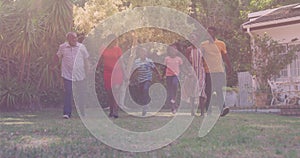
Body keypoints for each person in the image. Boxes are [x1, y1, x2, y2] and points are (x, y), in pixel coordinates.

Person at [55, 32, 90, 119]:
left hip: (80, 75)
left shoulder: (81, 47)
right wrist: (55, 66)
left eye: (76, 38)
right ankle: (67, 113)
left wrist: (87, 72)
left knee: (81, 94)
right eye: (73, 38)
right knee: (68, 93)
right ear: (68, 39)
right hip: (67, 75)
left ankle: (82, 113)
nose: (75, 39)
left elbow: (86, 60)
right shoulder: (62, 47)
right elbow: (57, 57)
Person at [201, 26, 232, 117]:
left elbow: (225, 56)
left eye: (211, 32)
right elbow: (201, 57)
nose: (209, 34)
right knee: (209, 91)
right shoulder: (203, 45)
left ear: (215, 33)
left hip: (219, 71)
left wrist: (230, 68)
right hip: (208, 71)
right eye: (208, 32)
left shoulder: (221, 44)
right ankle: (208, 110)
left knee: (219, 90)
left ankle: (222, 109)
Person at [131, 46, 162, 116]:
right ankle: (145, 104)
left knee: (145, 89)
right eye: (141, 52)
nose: (143, 53)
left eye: (144, 52)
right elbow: (134, 71)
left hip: (147, 79)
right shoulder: (136, 61)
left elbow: (154, 69)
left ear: (146, 54)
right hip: (140, 80)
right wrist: (131, 78)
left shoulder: (149, 61)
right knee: (141, 93)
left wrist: (159, 75)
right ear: (139, 54)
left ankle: (145, 107)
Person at [102, 34, 124, 118]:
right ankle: (111, 110)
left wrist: (124, 73)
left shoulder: (118, 49)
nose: (115, 42)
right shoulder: (103, 49)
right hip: (107, 73)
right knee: (110, 93)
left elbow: (121, 61)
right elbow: (100, 61)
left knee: (116, 91)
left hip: (117, 72)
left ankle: (115, 111)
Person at [185, 34, 207, 116]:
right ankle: (192, 111)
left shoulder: (201, 49)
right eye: (191, 39)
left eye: (194, 39)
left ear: (197, 40)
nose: (193, 40)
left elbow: (204, 60)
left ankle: (202, 112)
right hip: (192, 72)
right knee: (192, 91)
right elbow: (186, 62)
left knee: (201, 91)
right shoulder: (188, 50)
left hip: (201, 72)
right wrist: (188, 72)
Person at [163, 43, 183, 114]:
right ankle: (173, 106)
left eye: (174, 49)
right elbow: (164, 68)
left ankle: (174, 100)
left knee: (175, 85)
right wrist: (162, 76)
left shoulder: (179, 59)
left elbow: (181, 68)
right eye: (171, 49)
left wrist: (183, 75)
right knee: (170, 91)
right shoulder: (167, 58)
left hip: (176, 76)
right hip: (168, 76)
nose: (173, 51)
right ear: (169, 51)